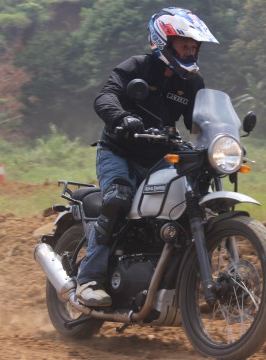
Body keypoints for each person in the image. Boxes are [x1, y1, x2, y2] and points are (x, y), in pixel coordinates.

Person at [75, 7, 218, 306]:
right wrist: (122, 118)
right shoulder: (137, 67)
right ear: (164, 42)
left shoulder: (193, 83)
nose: (191, 52)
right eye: (184, 45)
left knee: (193, 201)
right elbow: (105, 96)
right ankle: (88, 280)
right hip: (120, 151)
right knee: (118, 199)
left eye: (194, 47)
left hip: (161, 156)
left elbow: (199, 122)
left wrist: (221, 140)